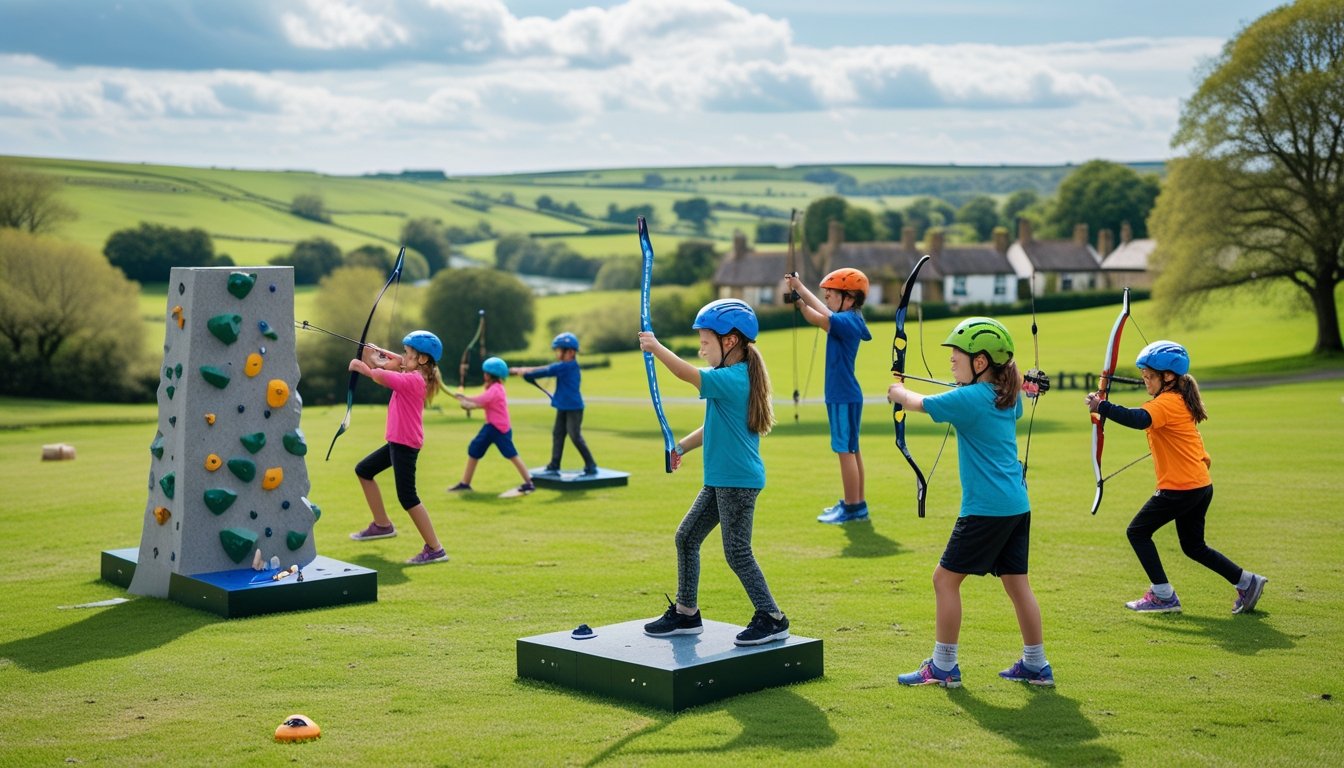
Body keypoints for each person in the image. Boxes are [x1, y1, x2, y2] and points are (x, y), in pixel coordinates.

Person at [887, 317, 1053, 687]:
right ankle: (1036, 665)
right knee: (1017, 584)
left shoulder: (971, 399)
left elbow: (919, 403)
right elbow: (972, 396)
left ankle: (943, 667)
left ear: (980, 362)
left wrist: (897, 391)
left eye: (957, 355)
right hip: (1016, 504)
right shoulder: (1003, 396)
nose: (951, 360)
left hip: (986, 509)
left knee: (944, 580)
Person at [637, 299, 790, 646]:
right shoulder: (732, 379)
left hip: (737, 482)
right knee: (687, 538)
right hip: (721, 480)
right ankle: (686, 613)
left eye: (705, 343)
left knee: (737, 553)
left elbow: (684, 373)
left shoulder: (733, 378)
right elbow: (712, 426)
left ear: (730, 341)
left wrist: (655, 346)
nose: (701, 349)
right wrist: (680, 448)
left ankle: (772, 617)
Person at [1086, 340, 1268, 615]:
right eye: (1144, 376)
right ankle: (1247, 581)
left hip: (1181, 488)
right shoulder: (1176, 399)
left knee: (1137, 532)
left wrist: (1102, 406)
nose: (1145, 381)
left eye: (1150, 377)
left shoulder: (1169, 402)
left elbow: (1138, 419)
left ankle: (1163, 595)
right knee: (1194, 546)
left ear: (1168, 376)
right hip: (1198, 485)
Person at [347, 331, 450, 565]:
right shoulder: (413, 373)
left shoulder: (414, 380)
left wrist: (362, 367)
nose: (403, 356)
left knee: (408, 497)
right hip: (397, 442)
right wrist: (374, 354)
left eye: (408, 353)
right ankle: (382, 524)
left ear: (422, 359)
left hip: (405, 445)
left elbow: (383, 376)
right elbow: (391, 366)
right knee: (364, 470)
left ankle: (435, 549)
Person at [784, 268, 873, 524]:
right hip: (845, 396)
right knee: (851, 450)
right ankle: (856, 504)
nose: (826, 299)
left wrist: (799, 291)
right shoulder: (848, 320)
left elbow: (820, 316)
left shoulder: (846, 322)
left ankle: (853, 507)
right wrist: (800, 298)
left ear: (849, 297)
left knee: (845, 451)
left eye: (831, 294)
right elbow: (820, 316)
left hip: (842, 396)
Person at [448, 356, 536, 498]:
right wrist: (469, 404)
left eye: (485, 372)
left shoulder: (496, 389)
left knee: (511, 454)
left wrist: (465, 398)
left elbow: (482, 399)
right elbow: (486, 404)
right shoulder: (493, 388)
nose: (484, 375)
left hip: (498, 429)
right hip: (491, 427)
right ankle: (465, 483)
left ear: (490, 374)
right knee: (474, 449)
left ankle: (530, 482)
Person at [511, 332, 598, 477]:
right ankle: (554, 464)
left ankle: (591, 464)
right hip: (563, 407)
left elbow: (546, 371)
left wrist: (524, 373)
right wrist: (523, 370)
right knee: (558, 434)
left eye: (560, 350)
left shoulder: (567, 367)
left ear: (570, 352)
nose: (557, 353)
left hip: (574, 408)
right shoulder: (565, 365)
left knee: (575, 436)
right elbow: (546, 367)